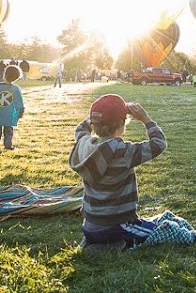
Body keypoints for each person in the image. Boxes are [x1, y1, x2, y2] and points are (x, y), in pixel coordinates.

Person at [68, 94, 170, 250]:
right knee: (169, 229)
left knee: (155, 223)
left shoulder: (84, 144)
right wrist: (146, 119)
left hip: (89, 226)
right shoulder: (122, 152)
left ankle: (99, 243)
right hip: (116, 226)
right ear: (122, 123)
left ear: (94, 123)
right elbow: (159, 144)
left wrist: (98, 116)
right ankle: (115, 245)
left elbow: (81, 128)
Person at [0, 65, 25, 151]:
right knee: (8, 131)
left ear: (4, 74)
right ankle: (8, 146)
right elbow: (19, 104)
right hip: (9, 115)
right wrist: (20, 113)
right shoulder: (15, 89)